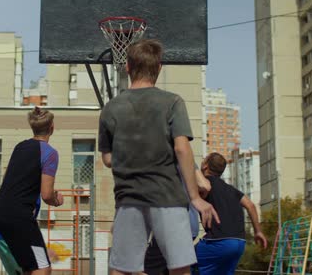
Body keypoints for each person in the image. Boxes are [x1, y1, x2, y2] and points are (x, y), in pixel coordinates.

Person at [98, 39, 219, 275]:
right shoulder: (172, 102)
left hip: (129, 199)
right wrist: (195, 197)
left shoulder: (111, 108)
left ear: (128, 67)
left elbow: (108, 159)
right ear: (159, 68)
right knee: (180, 269)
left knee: (121, 269)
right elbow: (182, 149)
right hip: (168, 197)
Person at [0, 107, 64, 275]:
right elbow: (46, 195)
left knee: (29, 267)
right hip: (19, 217)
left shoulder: (19, 147)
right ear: (52, 128)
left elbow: (9, 177)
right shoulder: (50, 153)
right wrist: (56, 199)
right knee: (42, 267)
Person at [195, 152, 267, 275]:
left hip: (218, 242)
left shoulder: (205, 185)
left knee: (183, 264)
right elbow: (250, 205)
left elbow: (199, 190)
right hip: (239, 243)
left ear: (205, 166)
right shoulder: (231, 189)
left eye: (204, 159)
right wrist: (258, 231)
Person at [143, 165, 210, 275]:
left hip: (170, 224)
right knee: (179, 269)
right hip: (190, 227)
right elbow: (205, 186)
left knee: (148, 270)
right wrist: (195, 198)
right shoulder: (187, 160)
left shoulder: (163, 157)